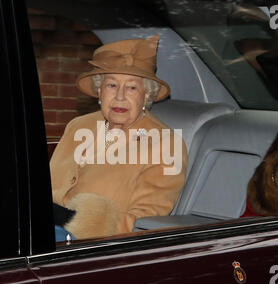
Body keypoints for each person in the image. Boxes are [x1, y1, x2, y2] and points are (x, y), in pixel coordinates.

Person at [50, 35, 188, 240]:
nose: (120, 96)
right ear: (99, 91)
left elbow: (147, 220)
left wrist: (87, 228)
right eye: (111, 85)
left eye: (132, 87)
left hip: (97, 247)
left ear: (147, 95)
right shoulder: (78, 126)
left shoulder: (167, 144)